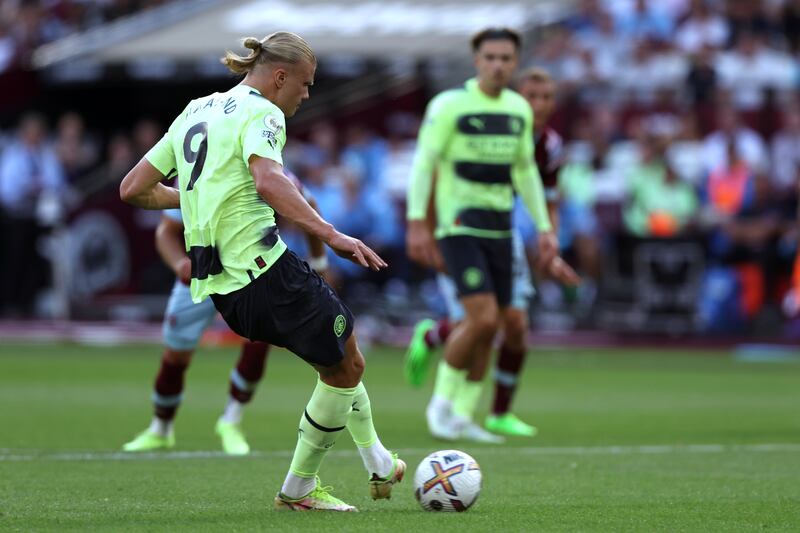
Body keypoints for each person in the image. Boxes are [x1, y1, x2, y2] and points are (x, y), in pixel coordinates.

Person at [119, 31, 403, 512]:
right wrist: (331, 234)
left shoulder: (197, 109)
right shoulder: (263, 112)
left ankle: (377, 460)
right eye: (306, 83)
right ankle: (299, 490)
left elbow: (133, 188)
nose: (306, 94)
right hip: (264, 269)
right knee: (345, 366)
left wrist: (187, 197)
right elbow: (269, 180)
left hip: (224, 288)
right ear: (279, 76)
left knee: (340, 358)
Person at [405, 67, 579, 439]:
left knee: (510, 323)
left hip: (502, 232)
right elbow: (435, 176)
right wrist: (429, 235)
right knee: (480, 320)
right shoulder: (484, 123)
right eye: (532, 96)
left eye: (547, 98)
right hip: (457, 229)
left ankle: (490, 411)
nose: (539, 105)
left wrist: (551, 243)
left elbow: (548, 199)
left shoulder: (548, 144)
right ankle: (446, 402)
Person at [122, 171, 328, 456]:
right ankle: (161, 428)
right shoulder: (197, 174)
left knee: (259, 340)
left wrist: (319, 260)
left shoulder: (266, 171)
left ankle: (231, 420)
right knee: (175, 354)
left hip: (251, 272)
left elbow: (311, 207)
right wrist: (179, 264)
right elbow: (165, 232)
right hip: (202, 273)